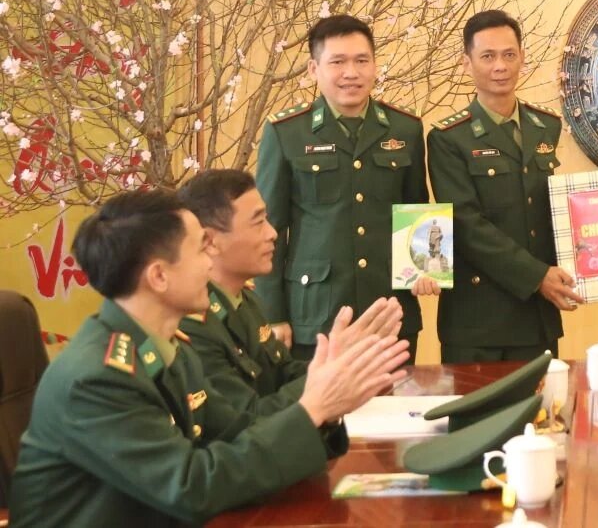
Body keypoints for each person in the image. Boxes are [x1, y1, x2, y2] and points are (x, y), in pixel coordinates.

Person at [9, 189, 408, 527]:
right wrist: (313, 406)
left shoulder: (170, 347)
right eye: (200, 249)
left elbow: (240, 430)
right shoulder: (97, 378)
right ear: (159, 276)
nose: (209, 262)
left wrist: (326, 403)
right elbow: (191, 487)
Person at [256, 14, 436, 358]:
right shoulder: (286, 132)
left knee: (396, 394)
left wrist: (426, 268)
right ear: (314, 69)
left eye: (361, 61)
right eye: (337, 62)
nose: (351, 73)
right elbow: (270, 228)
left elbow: (416, 206)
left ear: (374, 66)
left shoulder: (405, 128)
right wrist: (272, 314)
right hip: (314, 314)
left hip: (389, 310)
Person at [177, 168, 404, 416]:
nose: (272, 233)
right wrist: (330, 376)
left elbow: (282, 375)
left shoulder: (245, 299)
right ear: (210, 241)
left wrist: (337, 358)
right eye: (258, 223)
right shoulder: (192, 326)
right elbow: (247, 418)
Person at [428, 10, 581, 362]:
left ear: (522, 58)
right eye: (488, 56)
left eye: (509, 54)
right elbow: (465, 224)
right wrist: (537, 276)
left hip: (537, 316)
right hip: (477, 321)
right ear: (467, 63)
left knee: (544, 399)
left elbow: (548, 210)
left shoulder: (545, 126)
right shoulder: (449, 138)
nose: (500, 66)